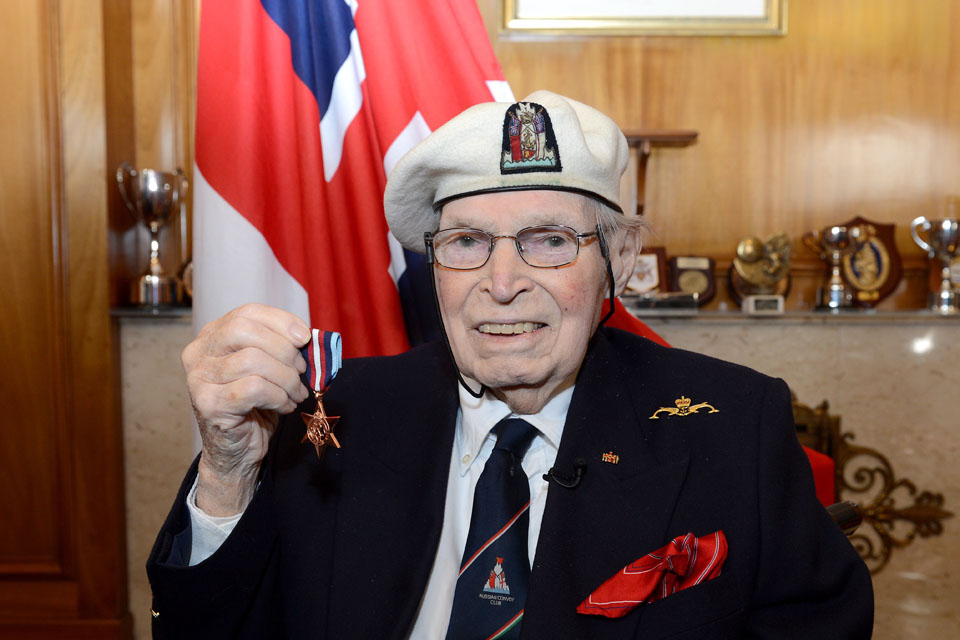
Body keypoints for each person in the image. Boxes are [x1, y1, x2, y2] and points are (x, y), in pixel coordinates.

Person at [147, 91, 873, 639]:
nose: (501, 282)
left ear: (618, 262)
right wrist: (227, 469)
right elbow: (209, 626)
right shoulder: (336, 413)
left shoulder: (734, 426)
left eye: (548, 240)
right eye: (465, 242)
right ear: (433, 268)